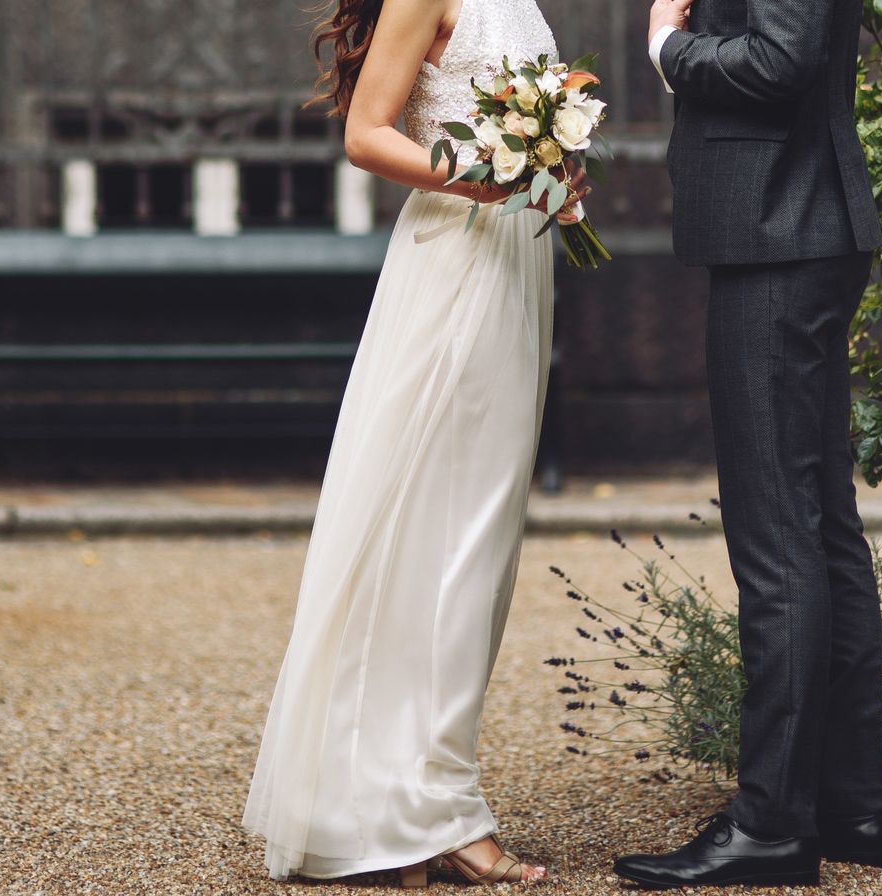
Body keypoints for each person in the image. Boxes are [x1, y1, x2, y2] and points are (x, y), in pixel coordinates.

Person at [241, 0, 584, 886]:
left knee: (480, 539)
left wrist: (554, 178)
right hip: (455, 264)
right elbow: (366, 136)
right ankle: (426, 810)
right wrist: (492, 177)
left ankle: (409, 795)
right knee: (443, 537)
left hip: (517, 261)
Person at [611, 0, 882, 887]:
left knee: (778, 537)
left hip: (779, 229)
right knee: (820, 527)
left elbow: (780, 59)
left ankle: (772, 823)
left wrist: (668, 47)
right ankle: (847, 804)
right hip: (795, 222)